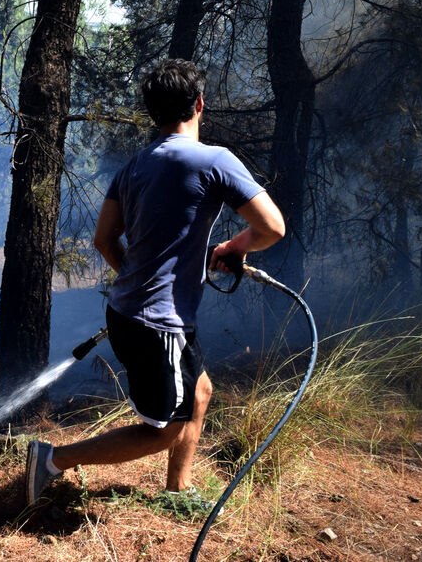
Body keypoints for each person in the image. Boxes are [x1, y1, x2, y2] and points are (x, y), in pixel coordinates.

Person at [25, 58, 285, 506]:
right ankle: (52, 459)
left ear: (152, 113)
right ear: (199, 104)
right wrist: (235, 247)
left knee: (200, 392)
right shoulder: (214, 160)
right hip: (159, 324)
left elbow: (104, 239)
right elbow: (272, 227)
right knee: (163, 432)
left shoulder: (134, 166)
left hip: (129, 312)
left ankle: (177, 490)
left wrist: (139, 275)